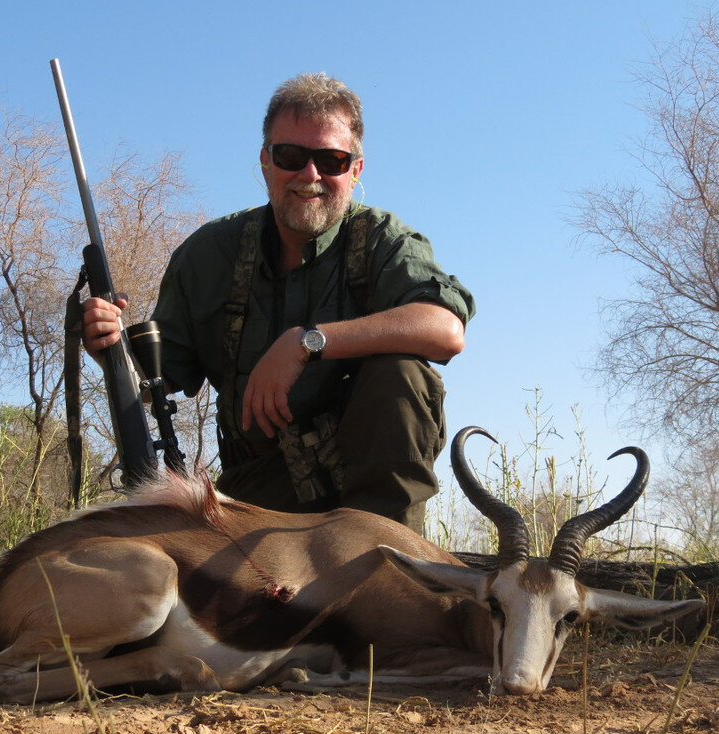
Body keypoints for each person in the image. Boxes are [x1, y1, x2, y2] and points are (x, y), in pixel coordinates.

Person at [82, 73, 475, 535]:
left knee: (403, 371)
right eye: (291, 156)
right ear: (266, 161)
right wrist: (108, 348)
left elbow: (445, 330)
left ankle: (383, 566)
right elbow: (157, 381)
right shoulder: (208, 255)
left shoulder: (384, 240)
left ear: (355, 170)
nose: (310, 175)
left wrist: (306, 342)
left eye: (331, 159)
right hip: (256, 493)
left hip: (366, 497)